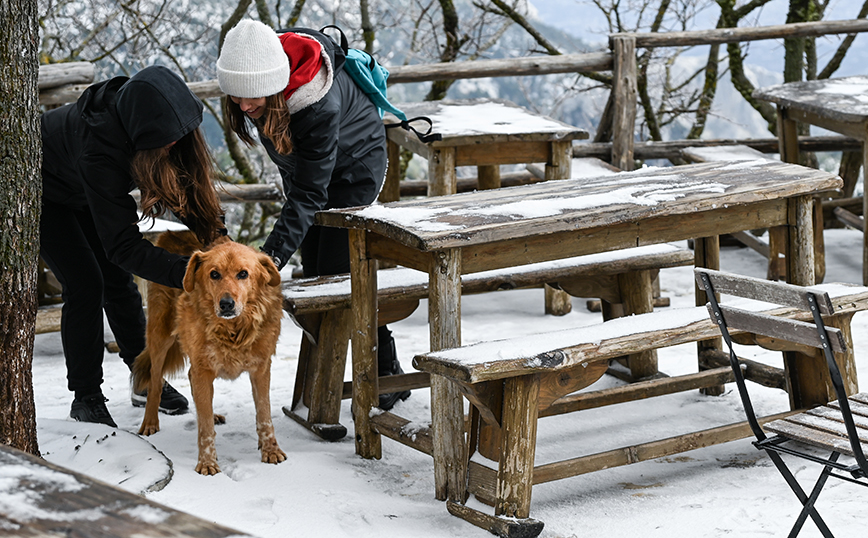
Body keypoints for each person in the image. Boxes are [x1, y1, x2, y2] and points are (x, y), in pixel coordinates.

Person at [216, 20, 410, 410]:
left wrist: (263, 264)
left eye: (252, 97)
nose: (243, 106)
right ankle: (326, 380)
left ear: (275, 85)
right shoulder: (260, 69)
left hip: (354, 171)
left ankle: (379, 374)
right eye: (235, 96)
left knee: (335, 280)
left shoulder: (316, 103)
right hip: (311, 175)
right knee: (317, 275)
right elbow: (304, 182)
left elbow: (309, 193)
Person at [40, 65, 226, 427]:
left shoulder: (153, 118)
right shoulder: (100, 152)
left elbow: (190, 196)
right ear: (145, 137)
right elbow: (122, 246)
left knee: (118, 282)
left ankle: (143, 378)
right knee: (86, 284)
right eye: (167, 141)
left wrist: (219, 243)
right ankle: (86, 397)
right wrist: (191, 273)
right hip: (46, 194)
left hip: (83, 192)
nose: (176, 144)